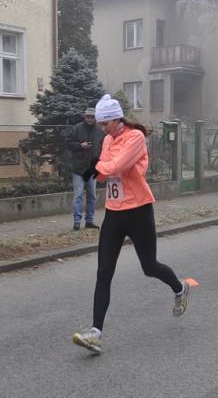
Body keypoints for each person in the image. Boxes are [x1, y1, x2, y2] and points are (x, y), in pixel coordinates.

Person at [71, 94, 190, 355]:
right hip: (114, 212)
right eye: (101, 125)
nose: (103, 130)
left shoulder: (135, 138)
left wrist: (101, 166)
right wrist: (101, 167)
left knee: (149, 267)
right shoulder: (109, 140)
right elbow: (104, 172)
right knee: (104, 272)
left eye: (106, 124)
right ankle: (95, 333)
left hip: (138, 210)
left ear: (116, 119)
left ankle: (180, 288)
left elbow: (118, 165)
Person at [66, 107, 104, 230]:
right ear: (84, 117)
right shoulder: (77, 128)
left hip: (92, 169)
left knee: (92, 196)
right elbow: (68, 143)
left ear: (95, 118)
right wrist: (80, 145)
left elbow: (104, 147)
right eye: (88, 116)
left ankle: (89, 221)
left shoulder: (99, 131)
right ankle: (77, 221)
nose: (89, 119)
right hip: (79, 168)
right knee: (78, 196)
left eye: (92, 117)